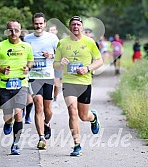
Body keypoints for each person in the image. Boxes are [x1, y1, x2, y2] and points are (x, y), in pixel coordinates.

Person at [53, 16, 103, 156]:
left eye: (78, 24)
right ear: (69, 27)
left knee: (83, 115)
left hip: (84, 82)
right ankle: (77, 145)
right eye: (73, 24)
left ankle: (93, 117)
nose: (75, 27)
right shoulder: (62, 43)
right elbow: (55, 64)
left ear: (81, 26)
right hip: (69, 82)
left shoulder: (89, 42)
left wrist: (87, 69)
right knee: (72, 112)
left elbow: (99, 61)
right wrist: (60, 63)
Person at [0, 20, 34, 155]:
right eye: (11, 30)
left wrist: (28, 67)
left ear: (20, 31)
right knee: (8, 117)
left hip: (21, 84)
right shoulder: (0, 46)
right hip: (5, 85)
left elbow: (31, 61)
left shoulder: (26, 46)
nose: (13, 32)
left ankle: (15, 144)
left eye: (16, 30)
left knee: (18, 114)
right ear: (7, 31)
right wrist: (2, 70)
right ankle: (8, 123)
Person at [24, 13, 59, 149]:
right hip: (34, 77)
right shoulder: (27, 39)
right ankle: (41, 138)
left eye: (41, 23)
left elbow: (61, 55)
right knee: (38, 106)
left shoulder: (52, 38)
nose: (38, 26)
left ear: (45, 24)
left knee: (48, 109)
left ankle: (47, 123)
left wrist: (51, 55)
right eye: (36, 23)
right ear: (33, 24)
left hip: (48, 77)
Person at [19, 29, 34, 124]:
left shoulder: (29, 48)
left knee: (29, 99)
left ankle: (27, 115)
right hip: (17, 76)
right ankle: (22, 112)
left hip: (28, 76)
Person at [48, 25, 62, 108]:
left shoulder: (59, 42)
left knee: (57, 82)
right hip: (48, 65)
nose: (52, 31)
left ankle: (55, 99)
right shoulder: (45, 41)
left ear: (56, 31)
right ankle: (47, 99)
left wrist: (52, 56)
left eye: (54, 30)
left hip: (57, 64)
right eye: (51, 30)